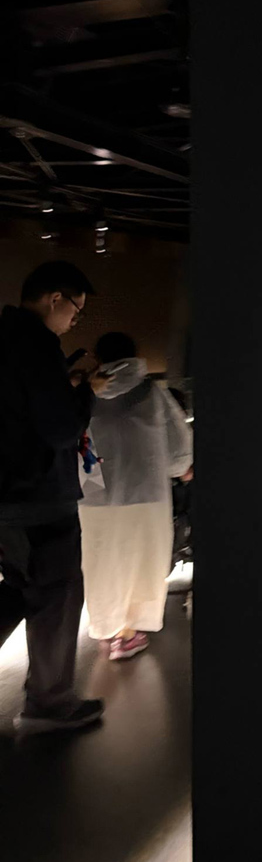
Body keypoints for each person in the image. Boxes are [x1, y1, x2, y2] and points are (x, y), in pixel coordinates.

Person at [0, 261, 108, 734]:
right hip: (40, 496)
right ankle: (49, 703)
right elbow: (61, 430)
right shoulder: (38, 345)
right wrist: (87, 394)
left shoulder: (6, 337)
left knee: (17, 589)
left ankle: (48, 700)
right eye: (75, 311)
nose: (73, 321)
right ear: (55, 298)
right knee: (56, 600)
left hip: (8, 496)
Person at [80, 332, 193, 660]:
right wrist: (181, 468)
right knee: (143, 561)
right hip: (146, 492)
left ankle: (110, 624)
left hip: (95, 494)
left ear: (99, 358)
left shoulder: (85, 395)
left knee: (102, 561)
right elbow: (177, 444)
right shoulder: (152, 392)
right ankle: (129, 632)